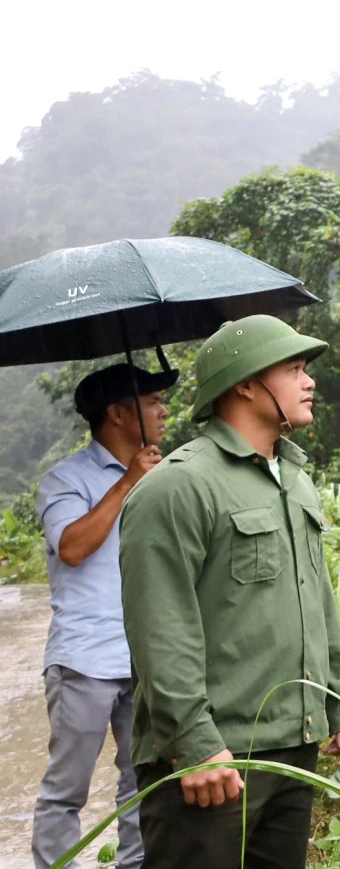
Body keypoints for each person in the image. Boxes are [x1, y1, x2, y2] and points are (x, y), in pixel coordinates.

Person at [118, 314, 340, 869]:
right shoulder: (178, 488)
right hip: (214, 759)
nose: (310, 382)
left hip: (290, 747)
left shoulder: (294, 479)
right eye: (294, 368)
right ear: (246, 383)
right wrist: (195, 743)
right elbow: (161, 629)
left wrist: (339, 697)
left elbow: (316, 595)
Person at [31, 363, 174, 869]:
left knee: (142, 782)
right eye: (152, 400)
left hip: (144, 657)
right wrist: (128, 481)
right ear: (117, 413)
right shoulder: (65, 479)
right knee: (66, 790)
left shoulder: (161, 473)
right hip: (84, 661)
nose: (163, 410)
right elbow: (71, 546)